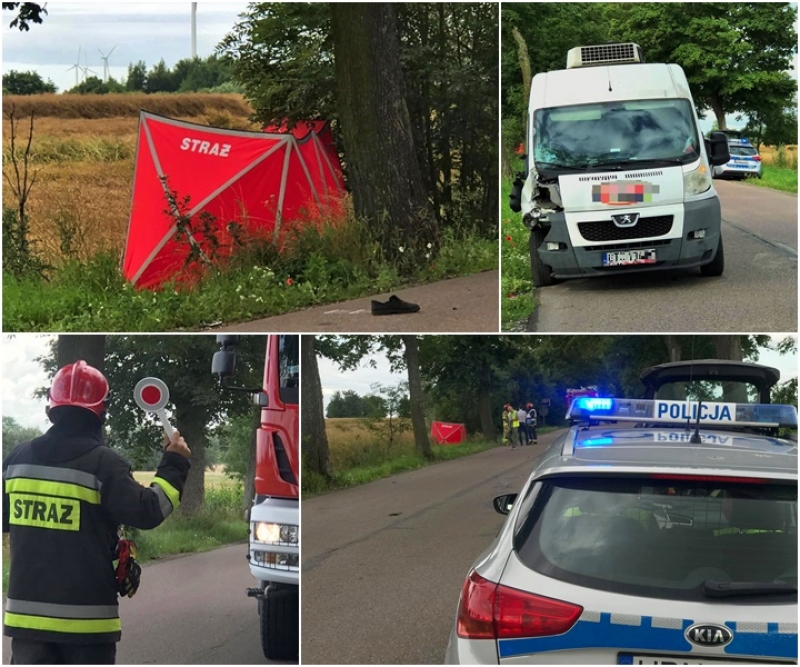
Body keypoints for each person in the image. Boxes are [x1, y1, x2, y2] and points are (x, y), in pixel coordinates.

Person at [2, 360, 192, 665]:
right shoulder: (104, 465)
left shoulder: (16, 461)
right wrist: (174, 462)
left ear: (51, 408)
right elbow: (150, 510)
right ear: (101, 412)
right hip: (88, 628)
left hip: (27, 627)